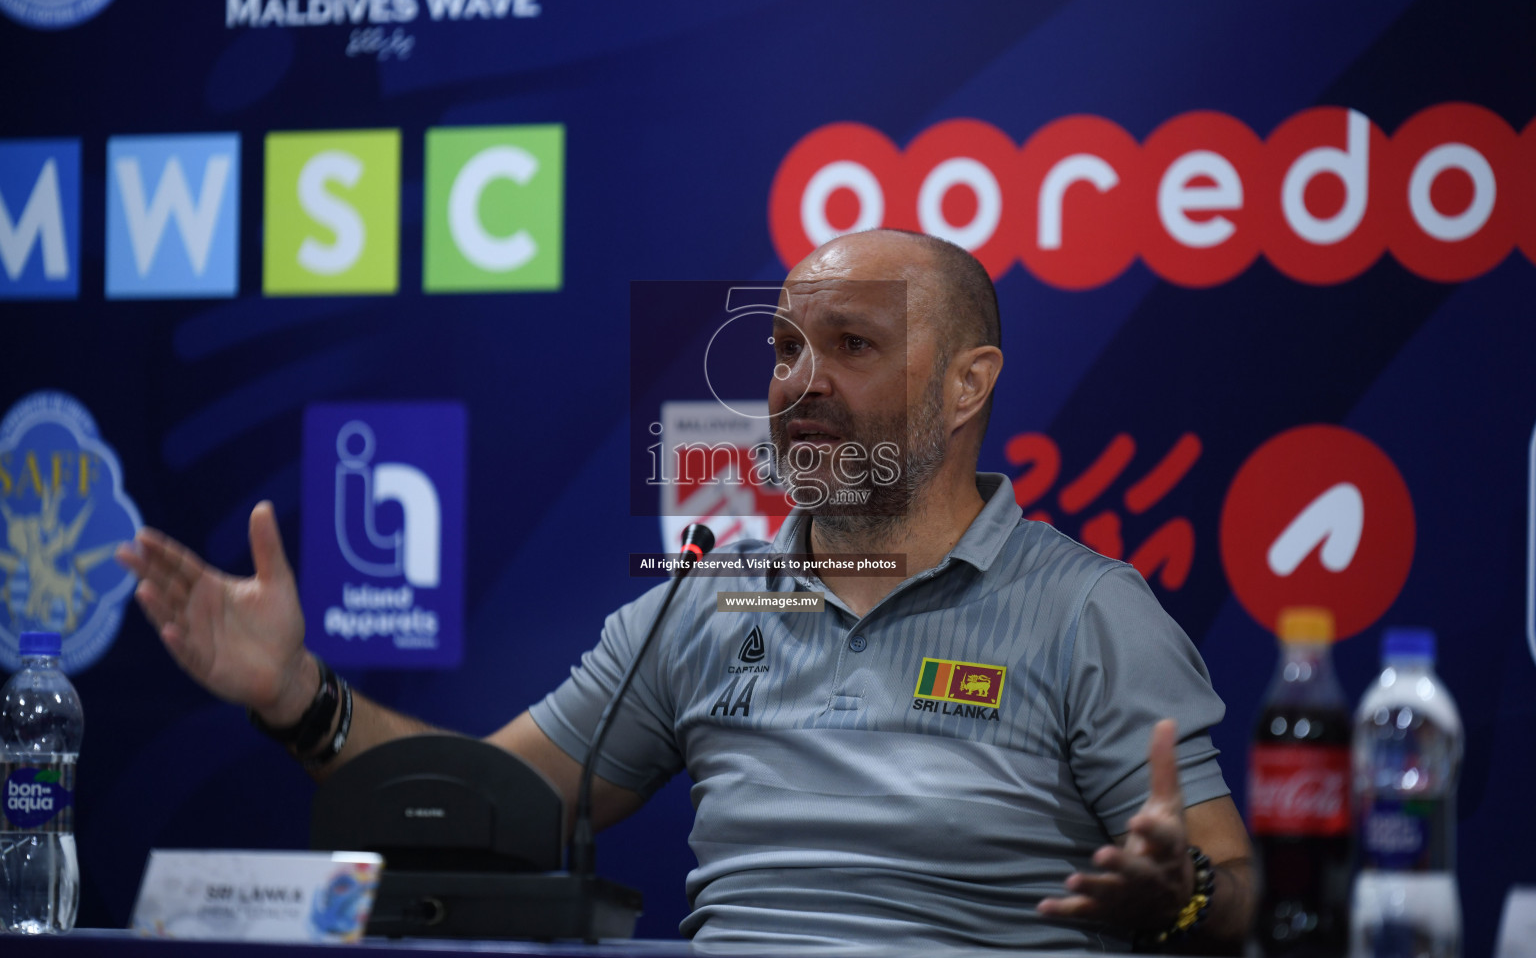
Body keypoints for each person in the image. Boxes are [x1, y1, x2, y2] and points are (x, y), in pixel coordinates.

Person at [116, 229, 1255, 952]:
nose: (799, 384)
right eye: (781, 348)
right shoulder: (703, 603)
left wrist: (1185, 896)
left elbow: (1236, 885)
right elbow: (490, 805)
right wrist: (296, 693)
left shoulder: (1088, 610)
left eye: (851, 346)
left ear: (969, 385)